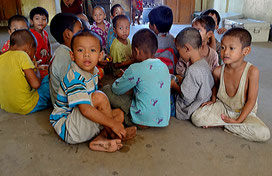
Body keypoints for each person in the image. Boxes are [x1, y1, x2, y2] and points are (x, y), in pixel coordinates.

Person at [49, 30, 136, 152]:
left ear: (100, 55)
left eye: (92, 50)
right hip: (69, 128)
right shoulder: (74, 77)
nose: (86, 54)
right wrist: (112, 124)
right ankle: (112, 134)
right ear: (72, 55)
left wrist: (111, 121)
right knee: (100, 98)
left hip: (80, 121)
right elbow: (85, 109)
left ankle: (99, 140)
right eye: (80, 50)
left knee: (119, 114)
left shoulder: (94, 71)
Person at [191, 28, 270, 142]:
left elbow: (251, 101)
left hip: (245, 112)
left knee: (263, 134)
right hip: (223, 107)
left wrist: (238, 120)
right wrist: (213, 100)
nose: (225, 52)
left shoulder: (252, 72)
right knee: (197, 118)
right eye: (223, 48)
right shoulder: (218, 71)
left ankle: (225, 125)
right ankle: (231, 125)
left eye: (231, 48)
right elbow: (215, 87)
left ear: (246, 51)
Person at [103, 29, 170, 128]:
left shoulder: (135, 69)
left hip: (141, 120)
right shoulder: (164, 66)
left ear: (136, 51)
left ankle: (130, 117)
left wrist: (123, 77)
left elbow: (116, 89)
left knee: (106, 89)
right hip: (162, 120)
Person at [0, 29, 51, 114]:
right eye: (34, 52)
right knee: (48, 78)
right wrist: (36, 68)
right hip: (26, 106)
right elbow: (36, 84)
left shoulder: (1, 56)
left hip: (6, 106)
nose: (32, 56)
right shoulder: (22, 55)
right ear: (29, 47)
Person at [172, 27, 214, 120]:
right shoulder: (204, 63)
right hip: (202, 102)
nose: (179, 54)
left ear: (187, 48)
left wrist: (174, 85)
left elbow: (186, 96)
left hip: (187, 110)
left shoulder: (192, 70)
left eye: (179, 51)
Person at [49, 13, 83, 105]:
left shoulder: (66, 50)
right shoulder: (64, 56)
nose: (83, 33)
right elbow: (71, 89)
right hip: (65, 106)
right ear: (68, 34)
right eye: (80, 30)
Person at [148, 5, 178, 74]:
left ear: (154, 27)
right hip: (171, 73)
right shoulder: (173, 39)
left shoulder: (150, 41)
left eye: (150, 23)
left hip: (154, 73)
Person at [29, 7, 51, 80]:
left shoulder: (45, 33)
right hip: (36, 63)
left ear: (47, 22)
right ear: (31, 21)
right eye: (37, 19)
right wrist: (40, 50)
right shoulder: (30, 34)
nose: (40, 21)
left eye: (43, 19)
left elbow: (48, 45)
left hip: (45, 61)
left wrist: (49, 54)